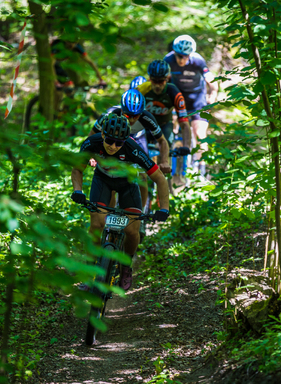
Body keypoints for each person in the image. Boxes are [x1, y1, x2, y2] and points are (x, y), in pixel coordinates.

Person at [71, 114, 170, 290]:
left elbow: (160, 179)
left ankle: (126, 268)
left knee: (132, 231)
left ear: (126, 140)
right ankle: (89, 272)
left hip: (128, 184)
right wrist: (78, 190)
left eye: (119, 143)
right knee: (97, 224)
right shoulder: (91, 143)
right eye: (109, 140)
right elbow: (77, 169)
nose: (113, 146)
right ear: (102, 135)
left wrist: (164, 209)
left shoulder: (133, 149)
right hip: (103, 181)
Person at [89, 89, 171, 208]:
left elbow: (162, 141)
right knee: (110, 174)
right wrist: (92, 155)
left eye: (136, 116)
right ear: (122, 110)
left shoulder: (147, 117)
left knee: (142, 176)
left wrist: (164, 161)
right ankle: (109, 215)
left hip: (137, 139)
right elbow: (92, 135)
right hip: (115, 141)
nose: (132, 119)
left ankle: (140, 214)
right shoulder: (110, 114)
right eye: (127, 115)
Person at [164, 35, 217, 177]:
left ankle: (201, 170)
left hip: (197, 100)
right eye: (179, 56)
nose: (181, 60)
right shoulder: (168, 60)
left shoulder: (198, 61)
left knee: (199, 134)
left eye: (185, 56)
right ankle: (174, 158)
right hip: (178, 98)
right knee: (173, 125)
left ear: (190, 55)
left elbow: (212, 82)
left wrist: (211, 98)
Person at [136, 59, 192, 149]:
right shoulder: (141, 89)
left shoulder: (175, 93)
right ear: (149, 78)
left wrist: (186, 146)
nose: (157, 85)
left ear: (167, 78)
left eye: (161, 81)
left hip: (164, 125)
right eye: (154, 81)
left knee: (164, 146)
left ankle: (164, 163)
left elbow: (184, 122)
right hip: (144, 125)